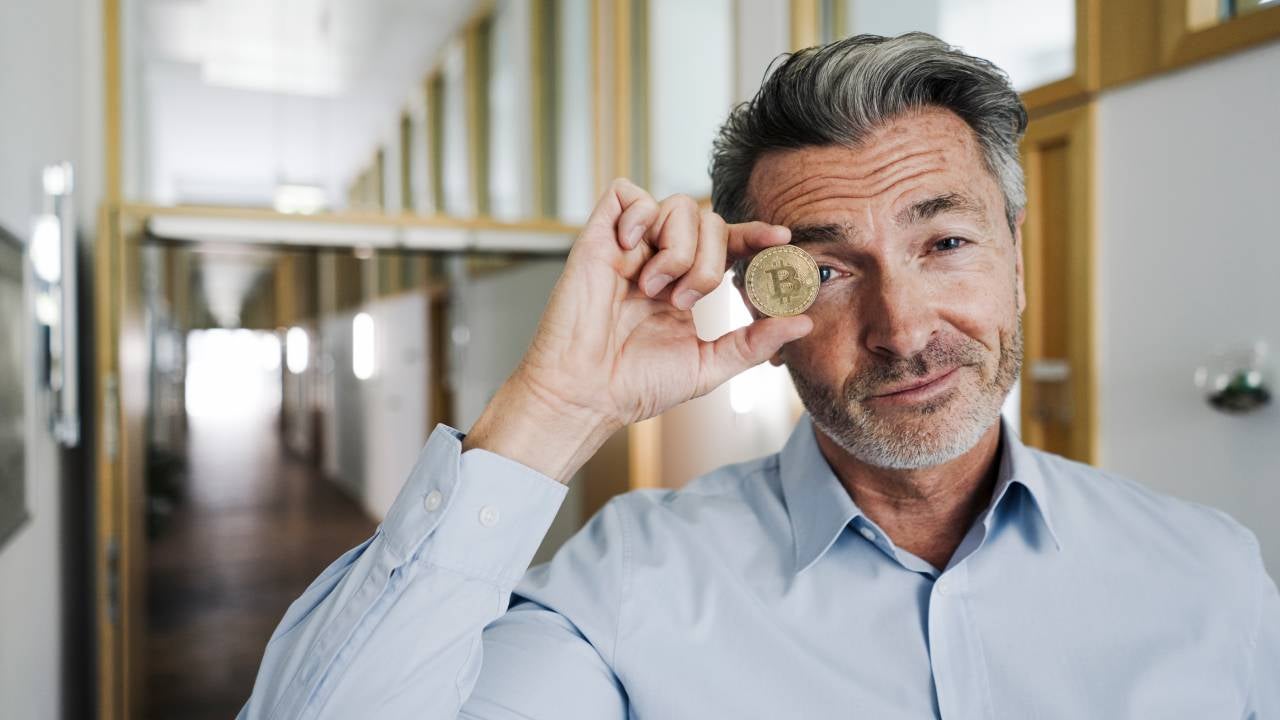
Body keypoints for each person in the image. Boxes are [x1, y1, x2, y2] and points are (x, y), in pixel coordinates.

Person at [239, 33, 1279, 718]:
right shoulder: (622, 594)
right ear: (760, 294)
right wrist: (554, 409)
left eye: (945, 243)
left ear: (1013, 252)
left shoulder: (1209, 576)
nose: (901, 327)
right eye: (827, 269)